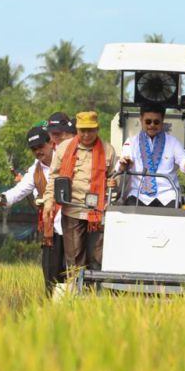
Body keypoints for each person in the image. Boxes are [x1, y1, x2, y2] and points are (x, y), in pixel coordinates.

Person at [0, 126, 65, 295]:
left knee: (75, 274)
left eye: (40, 147)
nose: (38, 151)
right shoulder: (34, 172)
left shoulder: (67, 158)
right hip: (51, 230)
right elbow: (17, 192)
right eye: (34, 149)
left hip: (73, 226)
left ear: (51, 143)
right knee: (51, 277)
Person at [43, 111, 117, 270]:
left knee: (98, 257)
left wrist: (114, 183)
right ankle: (76, 293)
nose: (86, 134)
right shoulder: (64, 148)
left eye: (90, 130)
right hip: (72, 210)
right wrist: (49, 202)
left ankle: (97, 293)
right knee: (75, 259)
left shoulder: (108, 150)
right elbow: (54, 178)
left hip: (98, 212)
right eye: (82, 130)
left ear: (97, 129)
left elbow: (116, 179)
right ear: (76, 129)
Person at [117, 103, 185, 208]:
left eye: (156, 122)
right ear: (141, 120)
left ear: (162, 120)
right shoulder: (131, 142)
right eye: (148, 121)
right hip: (138, 194)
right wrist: (124, 164)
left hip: (167, 194)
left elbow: (183, 158)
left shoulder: (173, 142)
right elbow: (123, 161)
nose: (152, 125)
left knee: (175, 211)